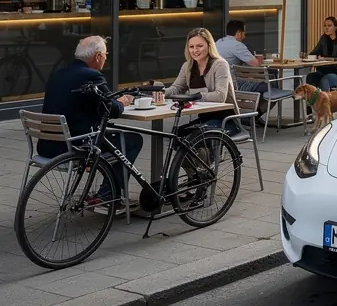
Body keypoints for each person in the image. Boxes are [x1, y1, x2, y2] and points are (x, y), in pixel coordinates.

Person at [39, 35, 143, 210]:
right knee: (132, 141)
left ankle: (107, 191)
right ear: (97, 56)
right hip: (75, 146)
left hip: (47, 146)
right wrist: (123, 101)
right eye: (105, 54)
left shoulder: (58, 74)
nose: (105, 58)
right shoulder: (92, 76)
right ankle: (108, 194)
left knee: (112, 138)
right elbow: (112, 110)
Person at [168, 28, 238, 124]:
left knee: (194, 137)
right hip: (205, 118)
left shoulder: (220, 64)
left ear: (209, 46)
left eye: (199, 46)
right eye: (191, 47)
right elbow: (176, 88)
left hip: (226, 120)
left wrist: (193, 96)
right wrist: (160, 93)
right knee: (179, 134)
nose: (195, 50)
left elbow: (220, 96)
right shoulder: (187, 66)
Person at [215, 20, 268, 118]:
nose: (244, 36)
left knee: (255, 82)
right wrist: (260, 59)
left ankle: (248, 113)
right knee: (268, 87)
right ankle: (252, 116)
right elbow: (256, 65)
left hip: (219, 82)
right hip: (234, 84)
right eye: (244, 33)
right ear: (239, 33)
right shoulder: (237, 45)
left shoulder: (218, 42)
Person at [306, 16, 337, 90]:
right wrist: (307, 56)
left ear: (336, 27)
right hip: (323, 72)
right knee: (310, 77)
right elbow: (315, 52)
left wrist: (326, 58)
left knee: (325, 79)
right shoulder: (324, 38)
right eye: (325, 26)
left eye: (329, 25)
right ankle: (312, 100)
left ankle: (326, 101)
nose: (326, 28)